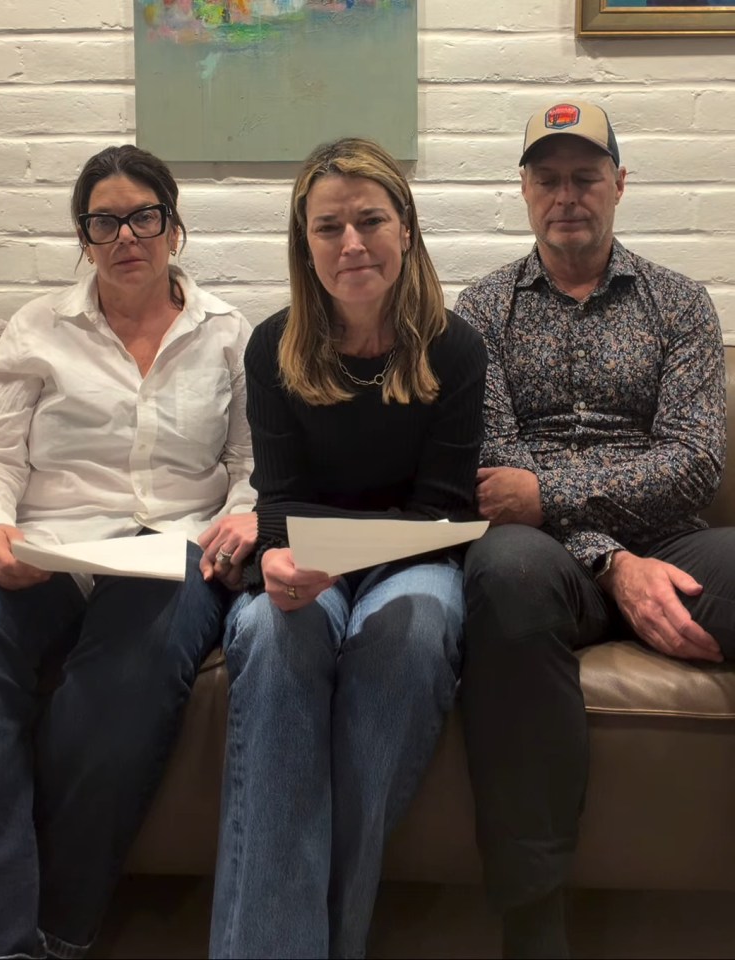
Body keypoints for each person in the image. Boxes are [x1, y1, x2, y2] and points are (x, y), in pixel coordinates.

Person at [455, 99, 735, 959]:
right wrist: (607, 558)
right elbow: (497, 488)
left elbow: (694, 464)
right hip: (541, 559)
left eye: (585, 177)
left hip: (677, 538)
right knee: (502, 573)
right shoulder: (477, 312)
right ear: (524, 191)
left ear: (620, 184)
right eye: (548, 179)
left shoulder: (682, 305)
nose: (566, 195)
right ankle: (534, 919)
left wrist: (560, 501)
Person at [208, 136, 487, 959]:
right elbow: (279, 495)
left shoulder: (455, 348)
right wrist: (280, 557)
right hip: (308, 555)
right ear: (305, 243)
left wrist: (335, 554)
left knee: (416, 630)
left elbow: (441, 512)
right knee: (266, 630)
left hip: (416, 561)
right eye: (328, 227)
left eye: (370, 220)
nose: (352, 243)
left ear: (407, 229)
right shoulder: (275, 346)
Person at [0, 144, 257, 959]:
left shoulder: (228, 334)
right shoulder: (36, 329)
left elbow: (251, 468)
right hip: (51, 547)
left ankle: (60, 927)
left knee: (122, 683)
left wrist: (240, 517)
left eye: (144, 217)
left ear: (175, 227)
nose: (126, 235)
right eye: (105, 221)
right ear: (84, 235)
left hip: (174, 550)